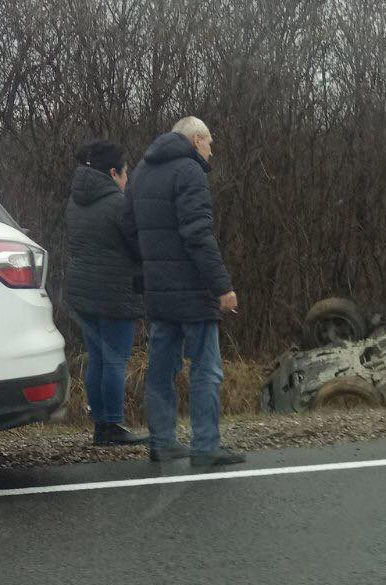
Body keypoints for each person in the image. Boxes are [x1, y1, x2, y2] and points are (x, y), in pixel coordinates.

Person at [123, 116, 244, 466]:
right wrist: (222, 286)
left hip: (159, 291)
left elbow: (128, 227)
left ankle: (162, 442)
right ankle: (206, 446)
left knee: (161, 369)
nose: (211, 150)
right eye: (209, 142)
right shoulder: (189, 172)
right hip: (193, 290)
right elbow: (197, 234)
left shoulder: (141, 171)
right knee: (206, 368)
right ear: (195, 141)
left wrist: (152, 264)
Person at [64, 139, 147, 446]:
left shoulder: (74, 202)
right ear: (113, 173)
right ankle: (112, 424)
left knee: (98, 359)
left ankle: (100, 424)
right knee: (115, 360)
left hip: (83, 292)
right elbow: (138, 248)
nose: (127, 178)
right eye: (125, 172)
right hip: (115, 294)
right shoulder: (118, 204)